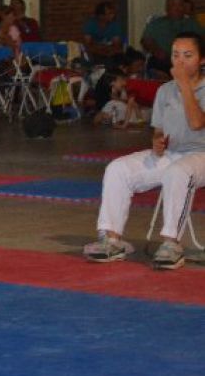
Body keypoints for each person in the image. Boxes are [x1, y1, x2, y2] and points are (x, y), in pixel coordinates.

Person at [83, 32, 205, 270]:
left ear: (202, 60)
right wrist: (158, 142)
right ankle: (112, 239)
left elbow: (197, 123)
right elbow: (159, 131)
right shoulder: (165, 91)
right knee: (118, 169)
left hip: (201, 155)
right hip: (171, 154)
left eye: (187, 55)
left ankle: (172, 244)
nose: (179, 61)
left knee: (177, 173)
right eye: (175, 55)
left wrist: (185, 87)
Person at [141, 0, 203, 78]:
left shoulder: (191, 24)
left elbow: (202, 40)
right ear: (167, 8)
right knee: (156, 65)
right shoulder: (156, 23)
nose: (177, 8)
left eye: (180, 5)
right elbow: (146, 40)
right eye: (173, 5)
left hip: (186, 60)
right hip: (163, 59)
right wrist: (156, 51)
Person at [83, 1, 123, 66]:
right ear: (101, 16)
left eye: (113, 13)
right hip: (95, 54)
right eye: (110, 13)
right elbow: (87, 45)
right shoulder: (90, 24)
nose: (113, 15)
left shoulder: (115, 25)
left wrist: (106, 50)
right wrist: (100, 50)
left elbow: (117, 46)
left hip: (109, 54)